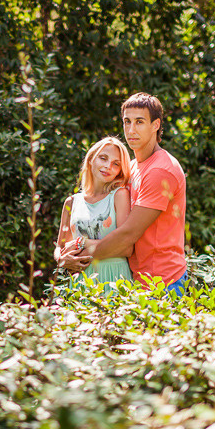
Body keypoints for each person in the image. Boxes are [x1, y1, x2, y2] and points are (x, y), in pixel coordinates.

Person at [58, 92, 187, 296]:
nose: (131, 130)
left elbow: (128, 235)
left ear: (156, 125)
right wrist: (62, 255)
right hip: (134, 279)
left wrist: (78, 255)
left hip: (163, 281)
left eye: (139, 122)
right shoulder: (133, 167)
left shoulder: (160, 170)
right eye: (127, 122)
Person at [54, 137, 134, 290]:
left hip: (114, 279)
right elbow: (60, 247)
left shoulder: (119, 195)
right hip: (80, 282)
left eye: (115, 164)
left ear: (119, 171)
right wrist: (61, 259)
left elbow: (126, 248)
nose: (107, 166)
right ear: (91, 159)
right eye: (103, 158)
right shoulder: (71, 202)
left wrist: (82, 243)